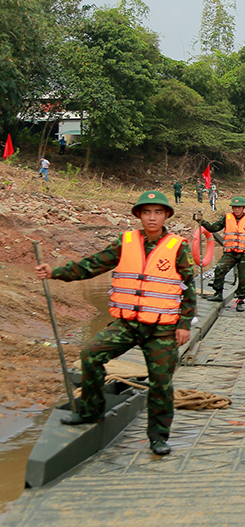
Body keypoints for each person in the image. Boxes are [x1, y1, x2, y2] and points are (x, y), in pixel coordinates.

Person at [34, 191, 194, 455]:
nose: (151, 217)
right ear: (139, 216)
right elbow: (93, 265)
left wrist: (184, 324)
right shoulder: (126, 241)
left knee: (161, 382)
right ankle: (90, 412)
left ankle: (158, 437)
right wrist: (55, 272)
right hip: (128, 324)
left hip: (162, 329)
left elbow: (187, 287)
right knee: (91, 354)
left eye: (157, 212)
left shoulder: (178, 246)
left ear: (166, 215)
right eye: (146, 212)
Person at [198, 196, 245, 312]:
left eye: (239, 207)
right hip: (230, 253)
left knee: (243, 277)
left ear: (243, 208)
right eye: (235, 207)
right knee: (219, 269)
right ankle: (218, 293)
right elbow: (213, 228)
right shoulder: (227, 217)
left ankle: (240, 300)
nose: (237, 210)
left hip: (244, 254)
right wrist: (202, 221)